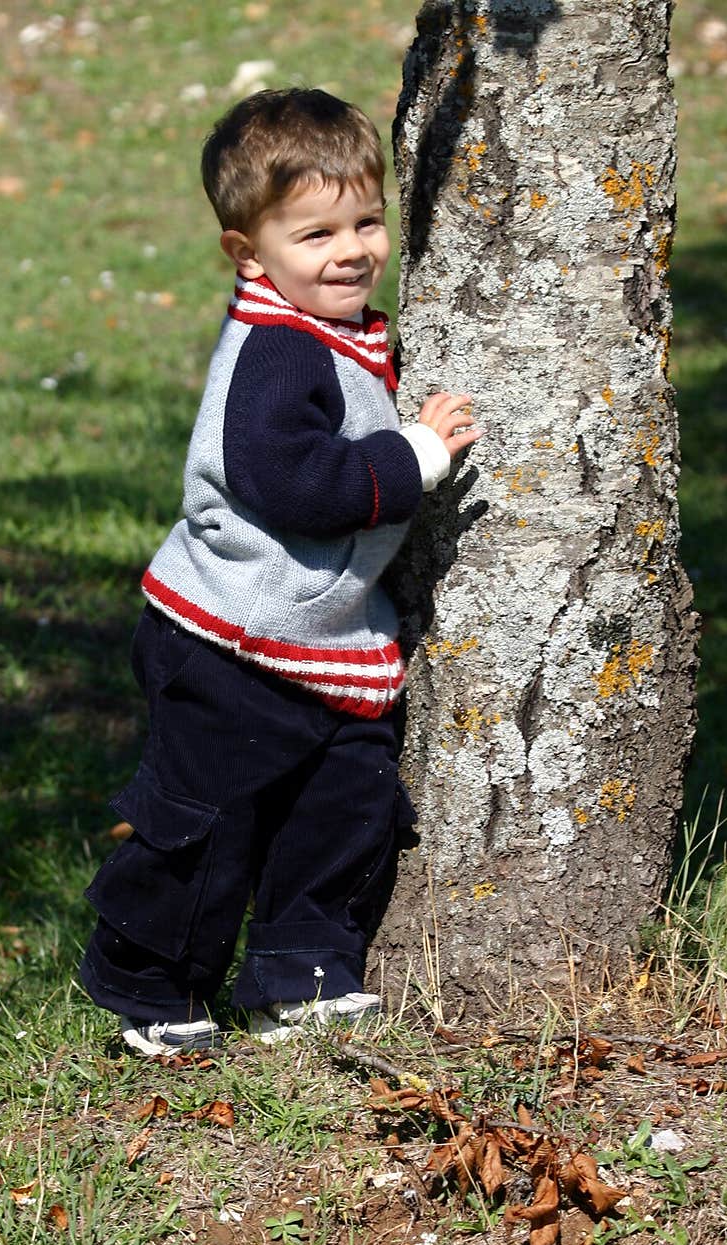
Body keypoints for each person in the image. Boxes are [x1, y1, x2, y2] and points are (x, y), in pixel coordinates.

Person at [79, 87, 483, 1056]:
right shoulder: (274, 353)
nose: (350, 250)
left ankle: (298, 969)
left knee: (343, 804)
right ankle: (150, 981)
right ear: (247, 251)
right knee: (206, 823)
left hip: (316, 639)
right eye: (314, 234)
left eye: (367, 222)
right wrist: (413, 455)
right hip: (226, 640)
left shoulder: (333, 330)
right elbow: (294, 481)